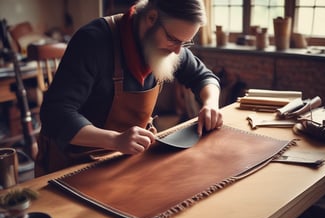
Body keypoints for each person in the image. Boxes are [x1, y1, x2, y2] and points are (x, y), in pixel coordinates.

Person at [35, 0, 223, 176]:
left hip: (127, 158)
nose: (178, 51)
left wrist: (210, 104)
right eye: (173, 39)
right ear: (151, 18)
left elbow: (204, 77)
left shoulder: (170, 44)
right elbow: (55, 114)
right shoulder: (93, 40)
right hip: (75, 164)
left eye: (185, 43)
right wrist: (115, 140)